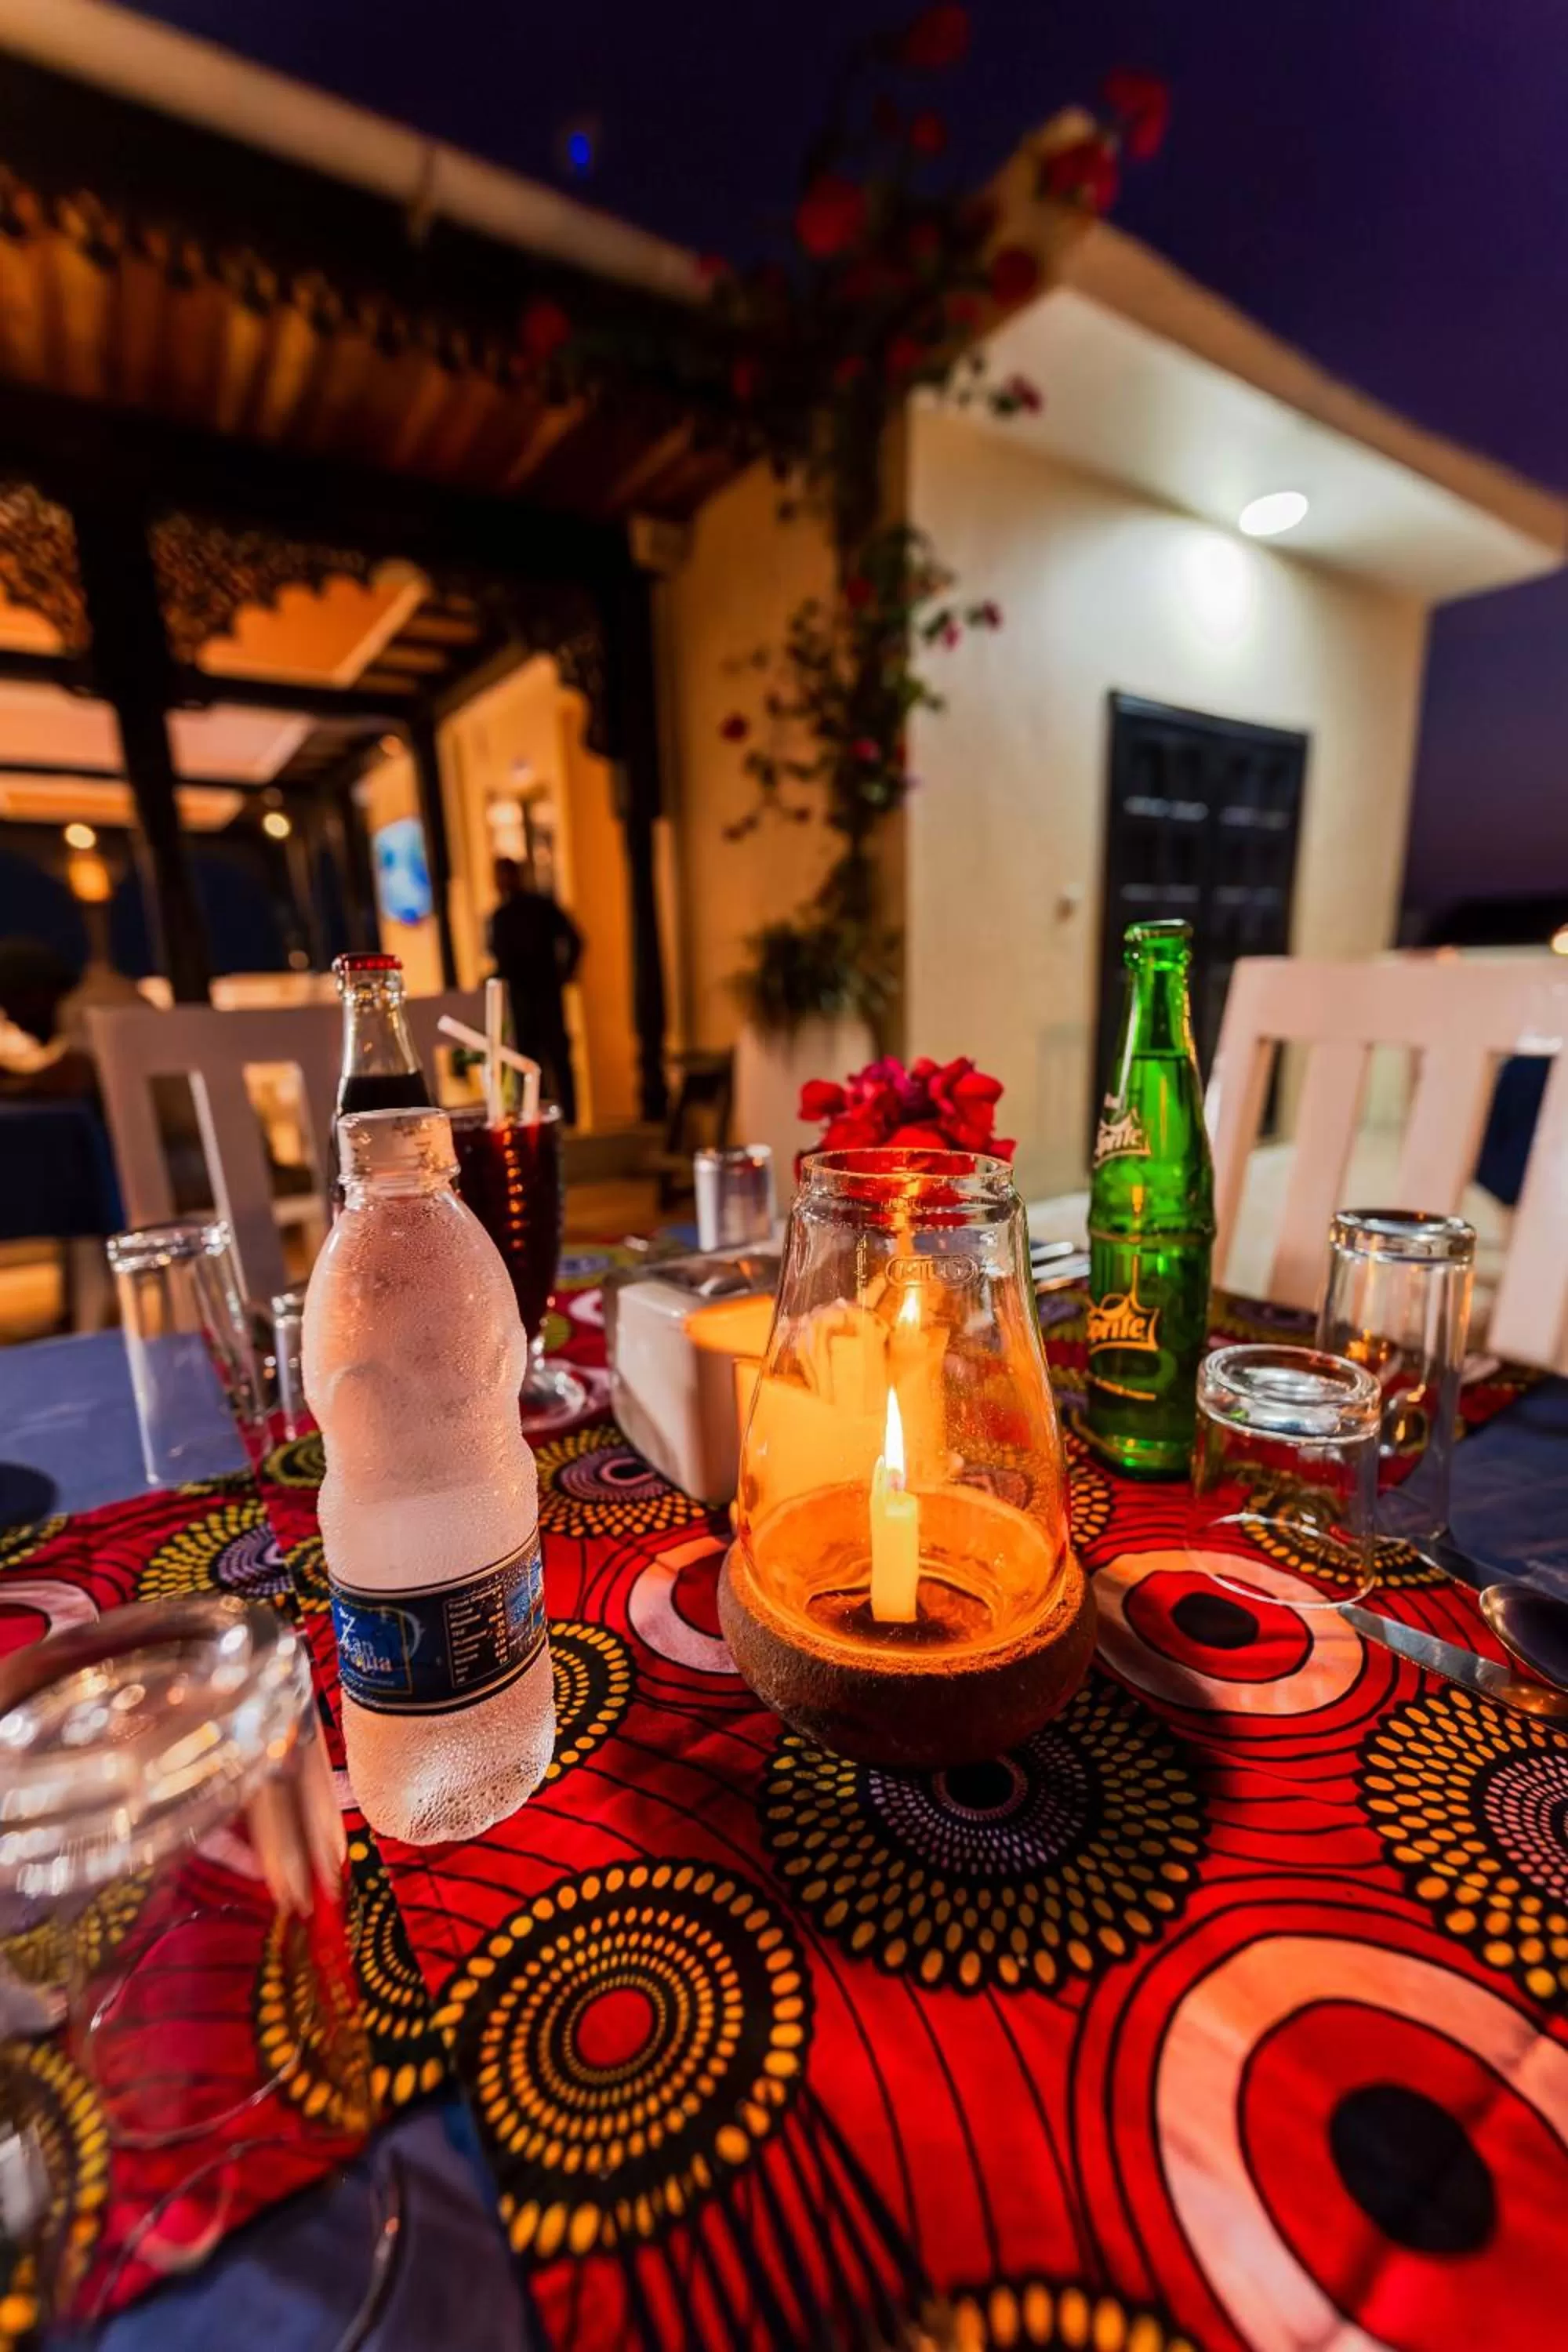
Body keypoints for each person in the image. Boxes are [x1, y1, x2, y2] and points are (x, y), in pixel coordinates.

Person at [487, 857, 583, 1127]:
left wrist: (565, 973)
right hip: (522, 999)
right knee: (531, 1061)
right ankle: (541, 1120)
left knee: (555, 1057)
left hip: (543, 995)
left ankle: (566, 1119)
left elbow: (574, 939)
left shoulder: (538, 908)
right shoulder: (501, 916)